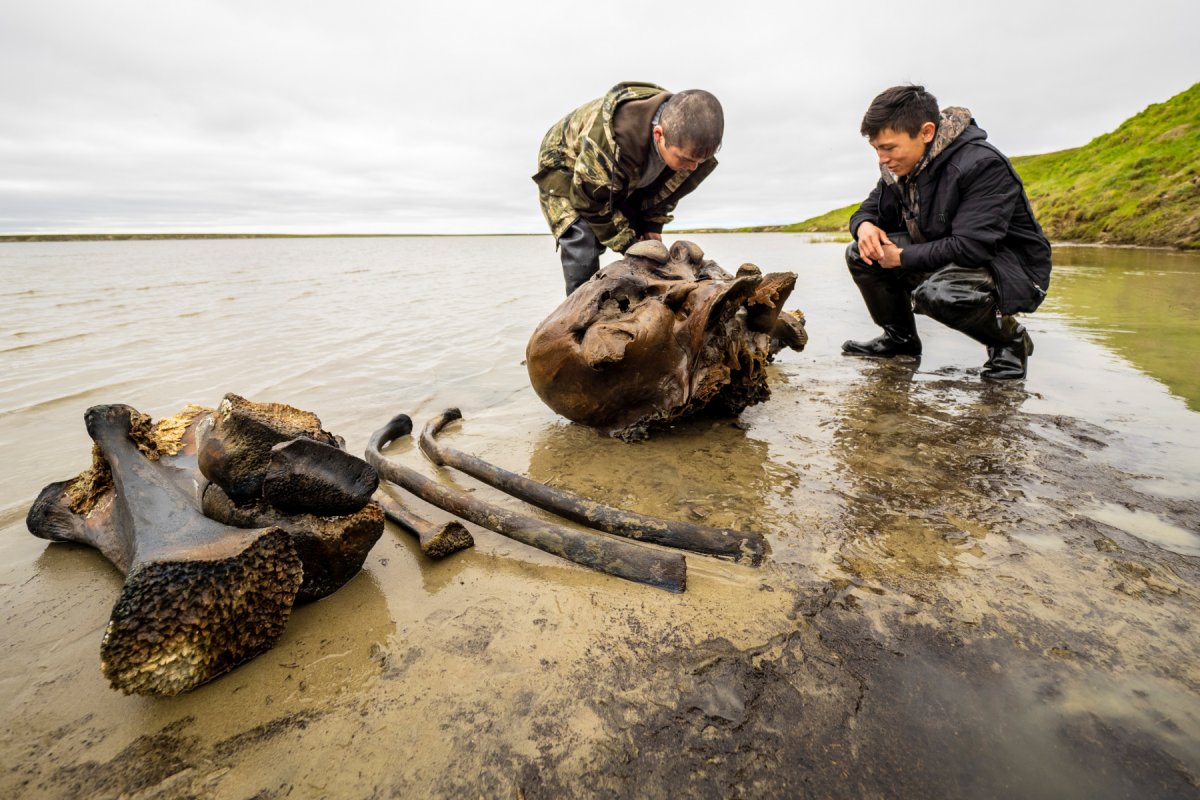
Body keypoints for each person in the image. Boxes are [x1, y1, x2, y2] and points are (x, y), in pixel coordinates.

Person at [842, 85, 1052, 380]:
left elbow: (972, 247)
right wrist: (864, 227)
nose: (882, 159)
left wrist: (901, 257)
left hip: (1009, 269)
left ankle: (1009, 343)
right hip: (949, 255)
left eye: (889, 148)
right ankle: (900, 340)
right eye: (876, 149)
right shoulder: (901, 169)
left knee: (941, 294)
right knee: (860, 253)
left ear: (926, 132)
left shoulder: (982, 164)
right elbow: (868, 210)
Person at [533, 82, 723, 295]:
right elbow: (588, 202)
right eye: (686, 159)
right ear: (659, 135)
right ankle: (580, 311)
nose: (692, 167)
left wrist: (651, 225)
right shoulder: (612, 143)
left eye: (699, 161)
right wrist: (629, 244)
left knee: (646, 243)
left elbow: (666, 191)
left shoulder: (689, 147)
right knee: (582, 237)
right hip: (565, 165)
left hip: (622, 176)